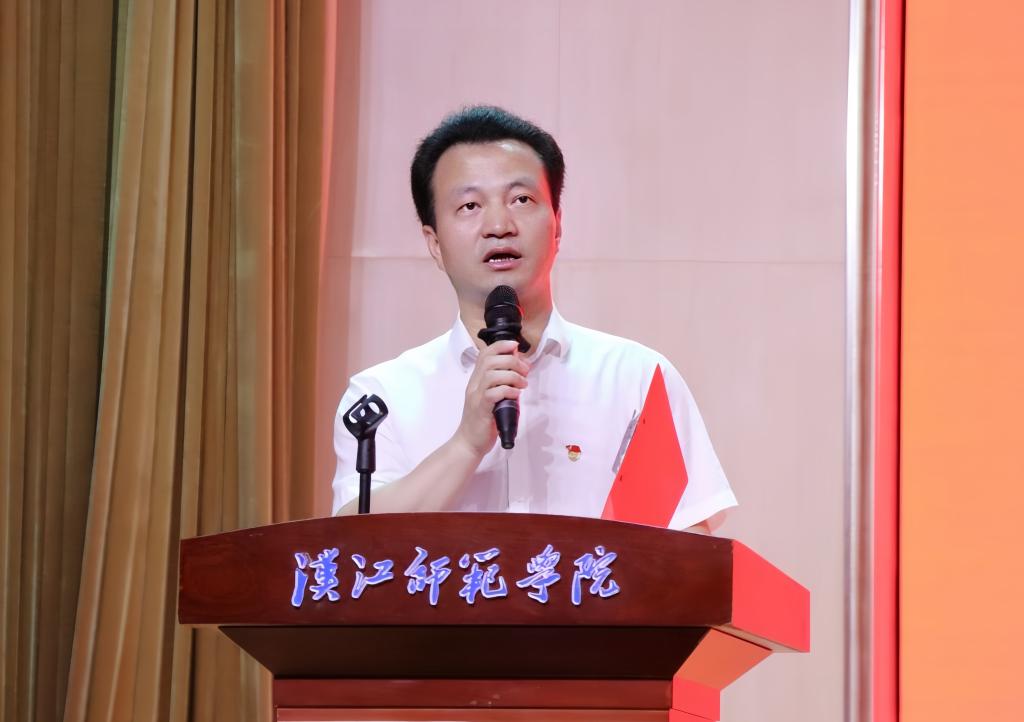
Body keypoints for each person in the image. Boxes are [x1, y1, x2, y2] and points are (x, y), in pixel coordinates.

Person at [332, 106, 736, 531]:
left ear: (557, 225)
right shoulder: (382, 398)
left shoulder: (635, 380)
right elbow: (349, 546)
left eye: (521, 200)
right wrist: (466, 444)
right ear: (434, 244)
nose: (498, 225)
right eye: (469, 205)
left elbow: (687, 549)